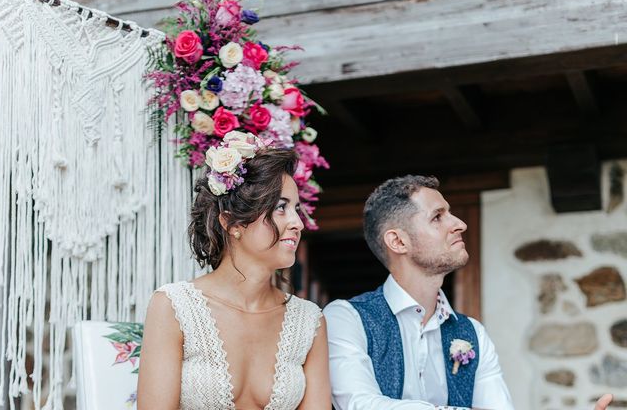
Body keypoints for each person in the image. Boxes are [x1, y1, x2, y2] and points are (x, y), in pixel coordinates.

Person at [323, 175, 613, 410]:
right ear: (398, 241)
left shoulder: (472, 333)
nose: (459, 224)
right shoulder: (346, 318)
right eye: (438, 217)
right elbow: (360, 404)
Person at [137, 132, 331, 410]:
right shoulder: (174, 306)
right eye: (280, 208)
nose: (297, 223)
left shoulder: (310, 321)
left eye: (296, 209)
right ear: (232, 223)